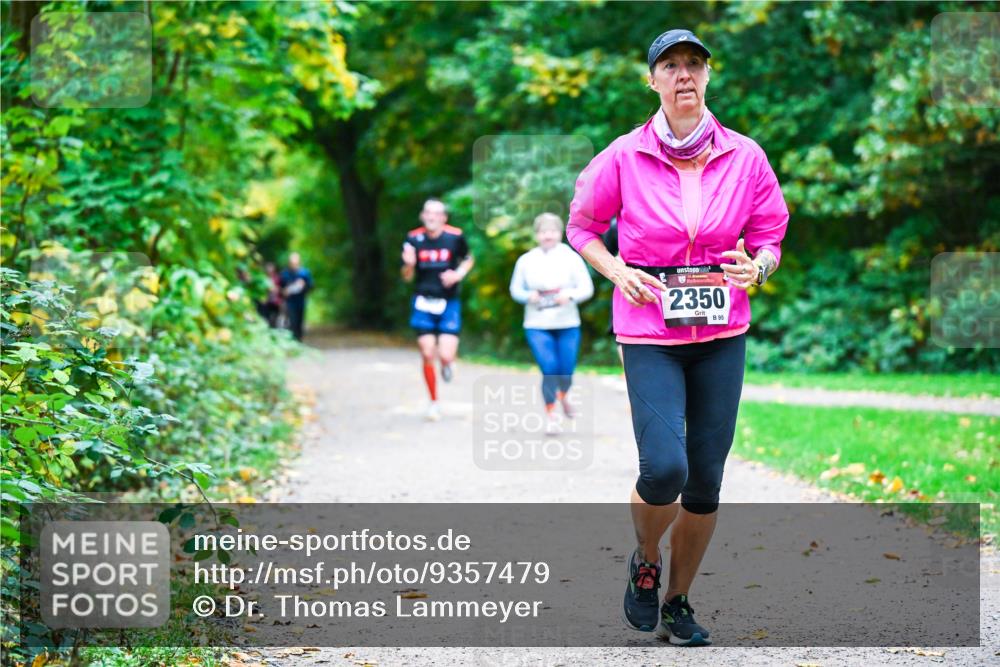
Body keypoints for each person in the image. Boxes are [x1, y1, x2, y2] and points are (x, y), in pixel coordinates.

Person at [566, 29, 788, 646]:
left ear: (708, 77)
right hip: (649, 327)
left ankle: (679, 601)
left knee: (706, 479)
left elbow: (770, 232)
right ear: (653, 81)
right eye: (671, 66)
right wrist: (616, 270)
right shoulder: (622, 155)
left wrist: (759, 267)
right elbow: (582, 226)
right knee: (664, 468)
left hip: (722, 329)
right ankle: (645, 557)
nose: (684, 74)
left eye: (694, 64)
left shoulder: (746, 156)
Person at [509, 213, 594, 433]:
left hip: (567, 323)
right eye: (543, 231)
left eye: (552, 231)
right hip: (537, 324)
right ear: (536, 234)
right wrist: (529, 297)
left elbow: (587, 288)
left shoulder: (572, 258)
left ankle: (564, 394)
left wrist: (570, 295)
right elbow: (515, 290)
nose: (548, 235)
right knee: (549, 368)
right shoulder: (526, 260)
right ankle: (551, 415)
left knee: (566, 370)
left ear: (560, 233)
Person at [401, 199, 474, 421]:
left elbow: (469, 258)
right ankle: (433, 402)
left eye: (436, 214)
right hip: (423, 301)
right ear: (423, 216)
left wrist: (458, 274)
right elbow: (406, 278)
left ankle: (447, 363)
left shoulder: (455, 236)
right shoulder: (413, 239)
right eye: (428, 213)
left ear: (444, 218)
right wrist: (410, 265)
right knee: (426, 352)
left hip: (449, 302)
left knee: (445, 354)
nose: (432, 217)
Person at [279, 253, 313, 342]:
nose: (293, 265)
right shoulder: (284, 273)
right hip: (290, 301)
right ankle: (294, 339)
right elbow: (280, 287)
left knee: (299, 320)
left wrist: (304, 285)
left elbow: (311, 286)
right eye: (291, 263)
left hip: (301, 300)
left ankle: (299, 338)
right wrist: (284, 291)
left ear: (299, 262)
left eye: (295, 263)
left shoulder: (305, 273)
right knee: (292, 320)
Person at [257, 262, 284, 329]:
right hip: (266, 303)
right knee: (266, 319)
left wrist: (277, 290)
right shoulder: (262, 278)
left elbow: (282, 290)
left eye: (271, 269)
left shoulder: (278, 278)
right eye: (268, 269)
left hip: (275, 303)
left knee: (275, 319)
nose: (269, 270)